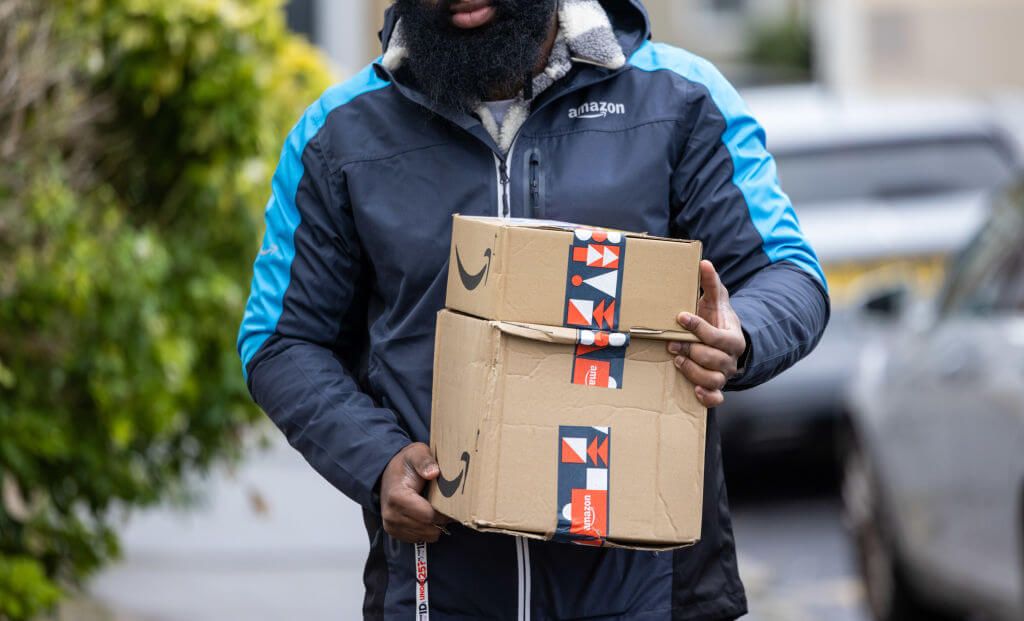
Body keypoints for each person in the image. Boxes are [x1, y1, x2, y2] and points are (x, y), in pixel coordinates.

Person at [237, 0, 830, 618]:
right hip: (435, 594)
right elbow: (279, 341)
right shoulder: (338, 134)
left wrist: (742, 333)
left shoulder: (679, 99)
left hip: (653, 594)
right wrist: (377, 459)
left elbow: (789, 275)